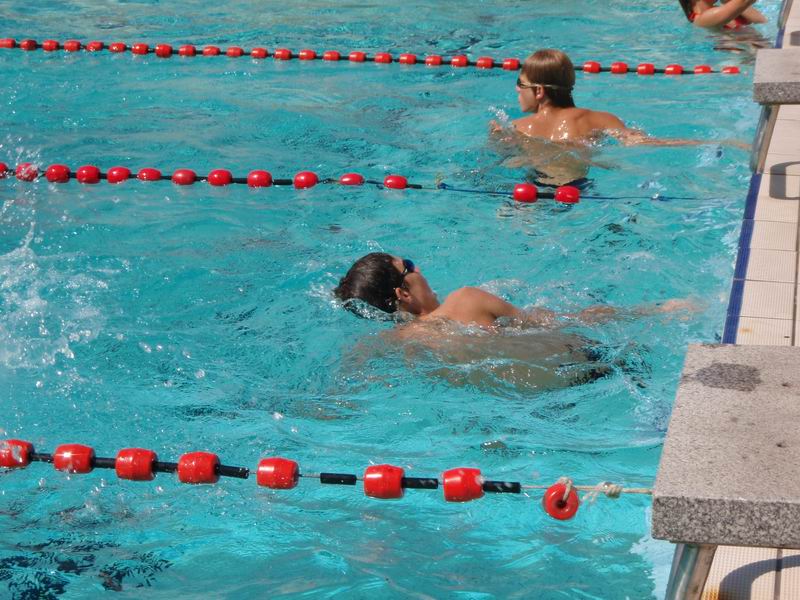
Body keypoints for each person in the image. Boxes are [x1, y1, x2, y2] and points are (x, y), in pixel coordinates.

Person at [506, 49, 712, 146]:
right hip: (580, 190)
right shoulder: (601, 119)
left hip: (530, 190)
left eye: (520, 83)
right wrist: (704, 142)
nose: (516, 89)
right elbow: (643, 143)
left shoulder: (517, 128)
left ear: (539, 91)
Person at [678, 0, 766, 29]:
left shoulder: (721, 9)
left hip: (760, 52)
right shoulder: (702, 19)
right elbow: (744, 1)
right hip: (743, 60)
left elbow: (761, 21)